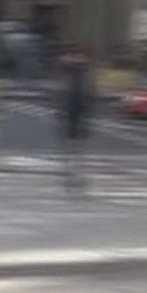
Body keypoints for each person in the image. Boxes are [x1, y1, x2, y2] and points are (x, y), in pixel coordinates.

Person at [56, 44, 95, 192]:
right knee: (71, 149)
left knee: (77, 150)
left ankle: (75, 175)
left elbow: (90, 98)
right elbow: (62, 97)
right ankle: (70, 175)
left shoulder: (83, 78)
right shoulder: (68, 77)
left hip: (80, 117)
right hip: (70, 116)